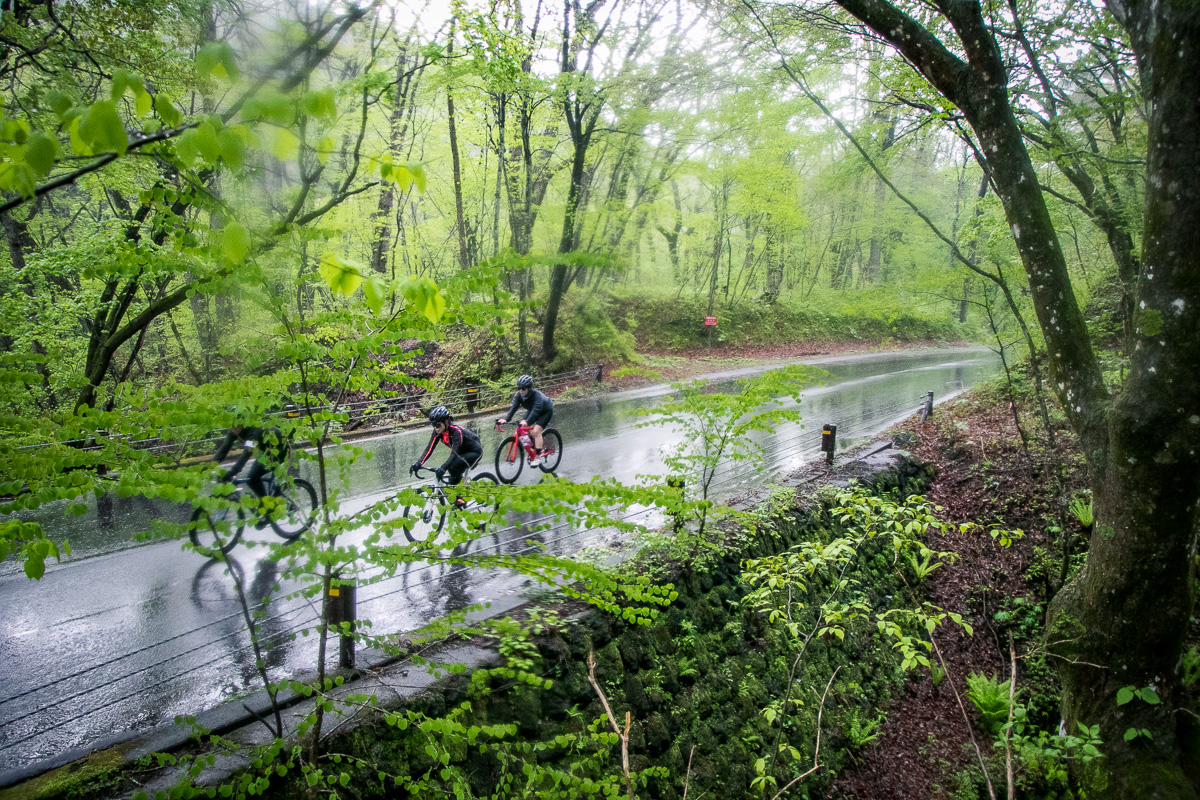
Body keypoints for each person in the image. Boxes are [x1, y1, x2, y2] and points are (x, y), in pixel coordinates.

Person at [213, 421, 289, 527]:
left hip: (280, 449)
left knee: (253, 476)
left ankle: (267, 508)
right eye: (230, 425)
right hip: (266, 450)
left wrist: (232, 472)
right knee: (251, 479)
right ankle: (265, 507)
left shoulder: (253, 430)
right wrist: (206, 468)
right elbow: (224, 449)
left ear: (242, 423)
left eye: (234, 424)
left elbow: (247, 453)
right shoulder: (235, 430)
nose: (232, 428)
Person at [411, 406, 482, 505]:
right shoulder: (437, 432)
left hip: (475, 452)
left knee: (453, 467)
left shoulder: (456, 431)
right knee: (452, 473)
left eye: (438, 425)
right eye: (433, 425)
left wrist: (443, 467)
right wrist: (418, 463)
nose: (436, 428)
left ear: (446, 422)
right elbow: (429, 449)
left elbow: (454, 453)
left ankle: (459, 499)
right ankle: (457, 497)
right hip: (461, 452)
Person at [496, 374, 553, 466]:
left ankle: (538, 457)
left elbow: (536, 411)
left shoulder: (537, 396)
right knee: (522, 428)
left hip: (545, 411)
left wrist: (527, 421)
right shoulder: (518, 395)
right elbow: (513, 409)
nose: (521, 390)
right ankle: (533, 445)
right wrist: (506, 420)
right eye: (519, 388)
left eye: (523, 388)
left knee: (536, 431)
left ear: (529, 388)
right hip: (533, 410)